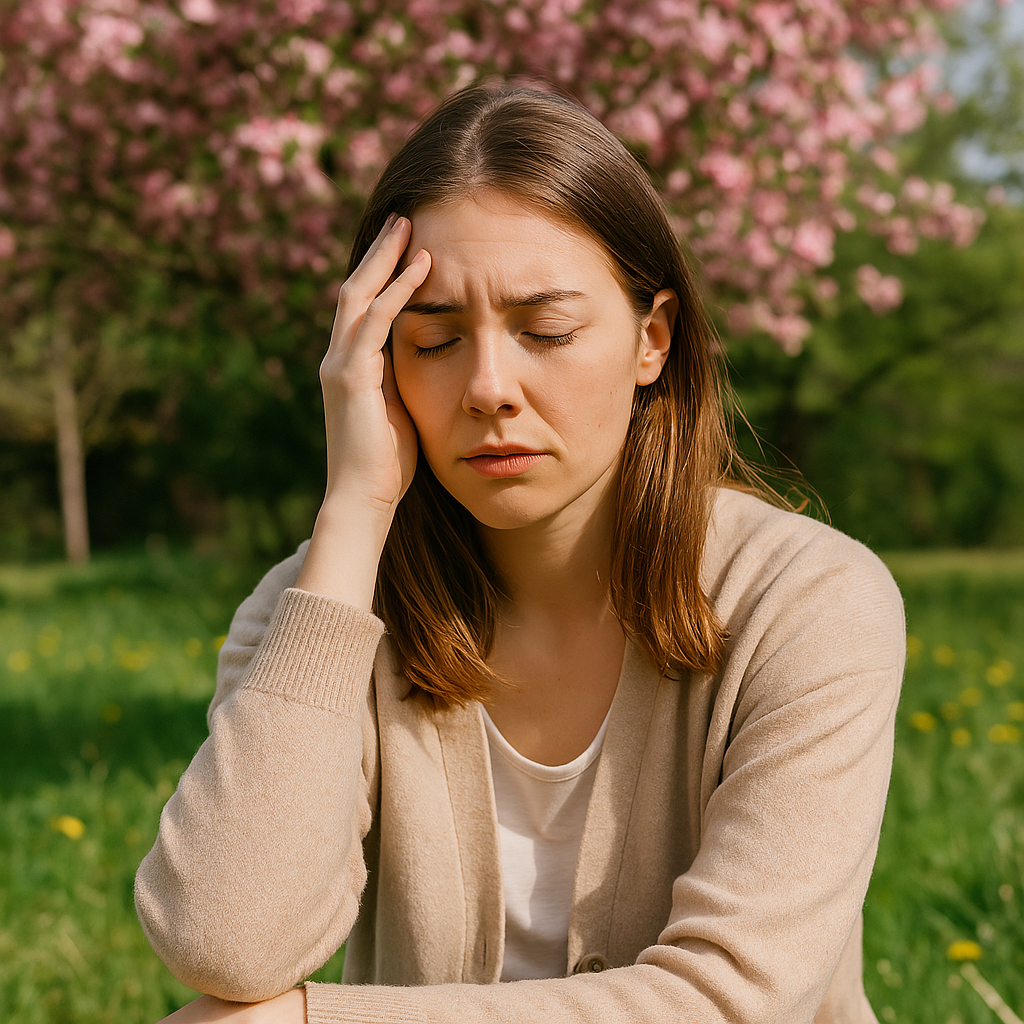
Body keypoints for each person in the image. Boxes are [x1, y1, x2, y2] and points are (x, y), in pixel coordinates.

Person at [136, 85, 904, 1024]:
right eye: (433, 340)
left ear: (651, 340)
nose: (489, 386)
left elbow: (733, 1001)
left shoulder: (810, 602)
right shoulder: (319, 609)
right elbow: (224, 940)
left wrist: (307, 1021)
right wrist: (351, 513)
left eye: (547, 331)